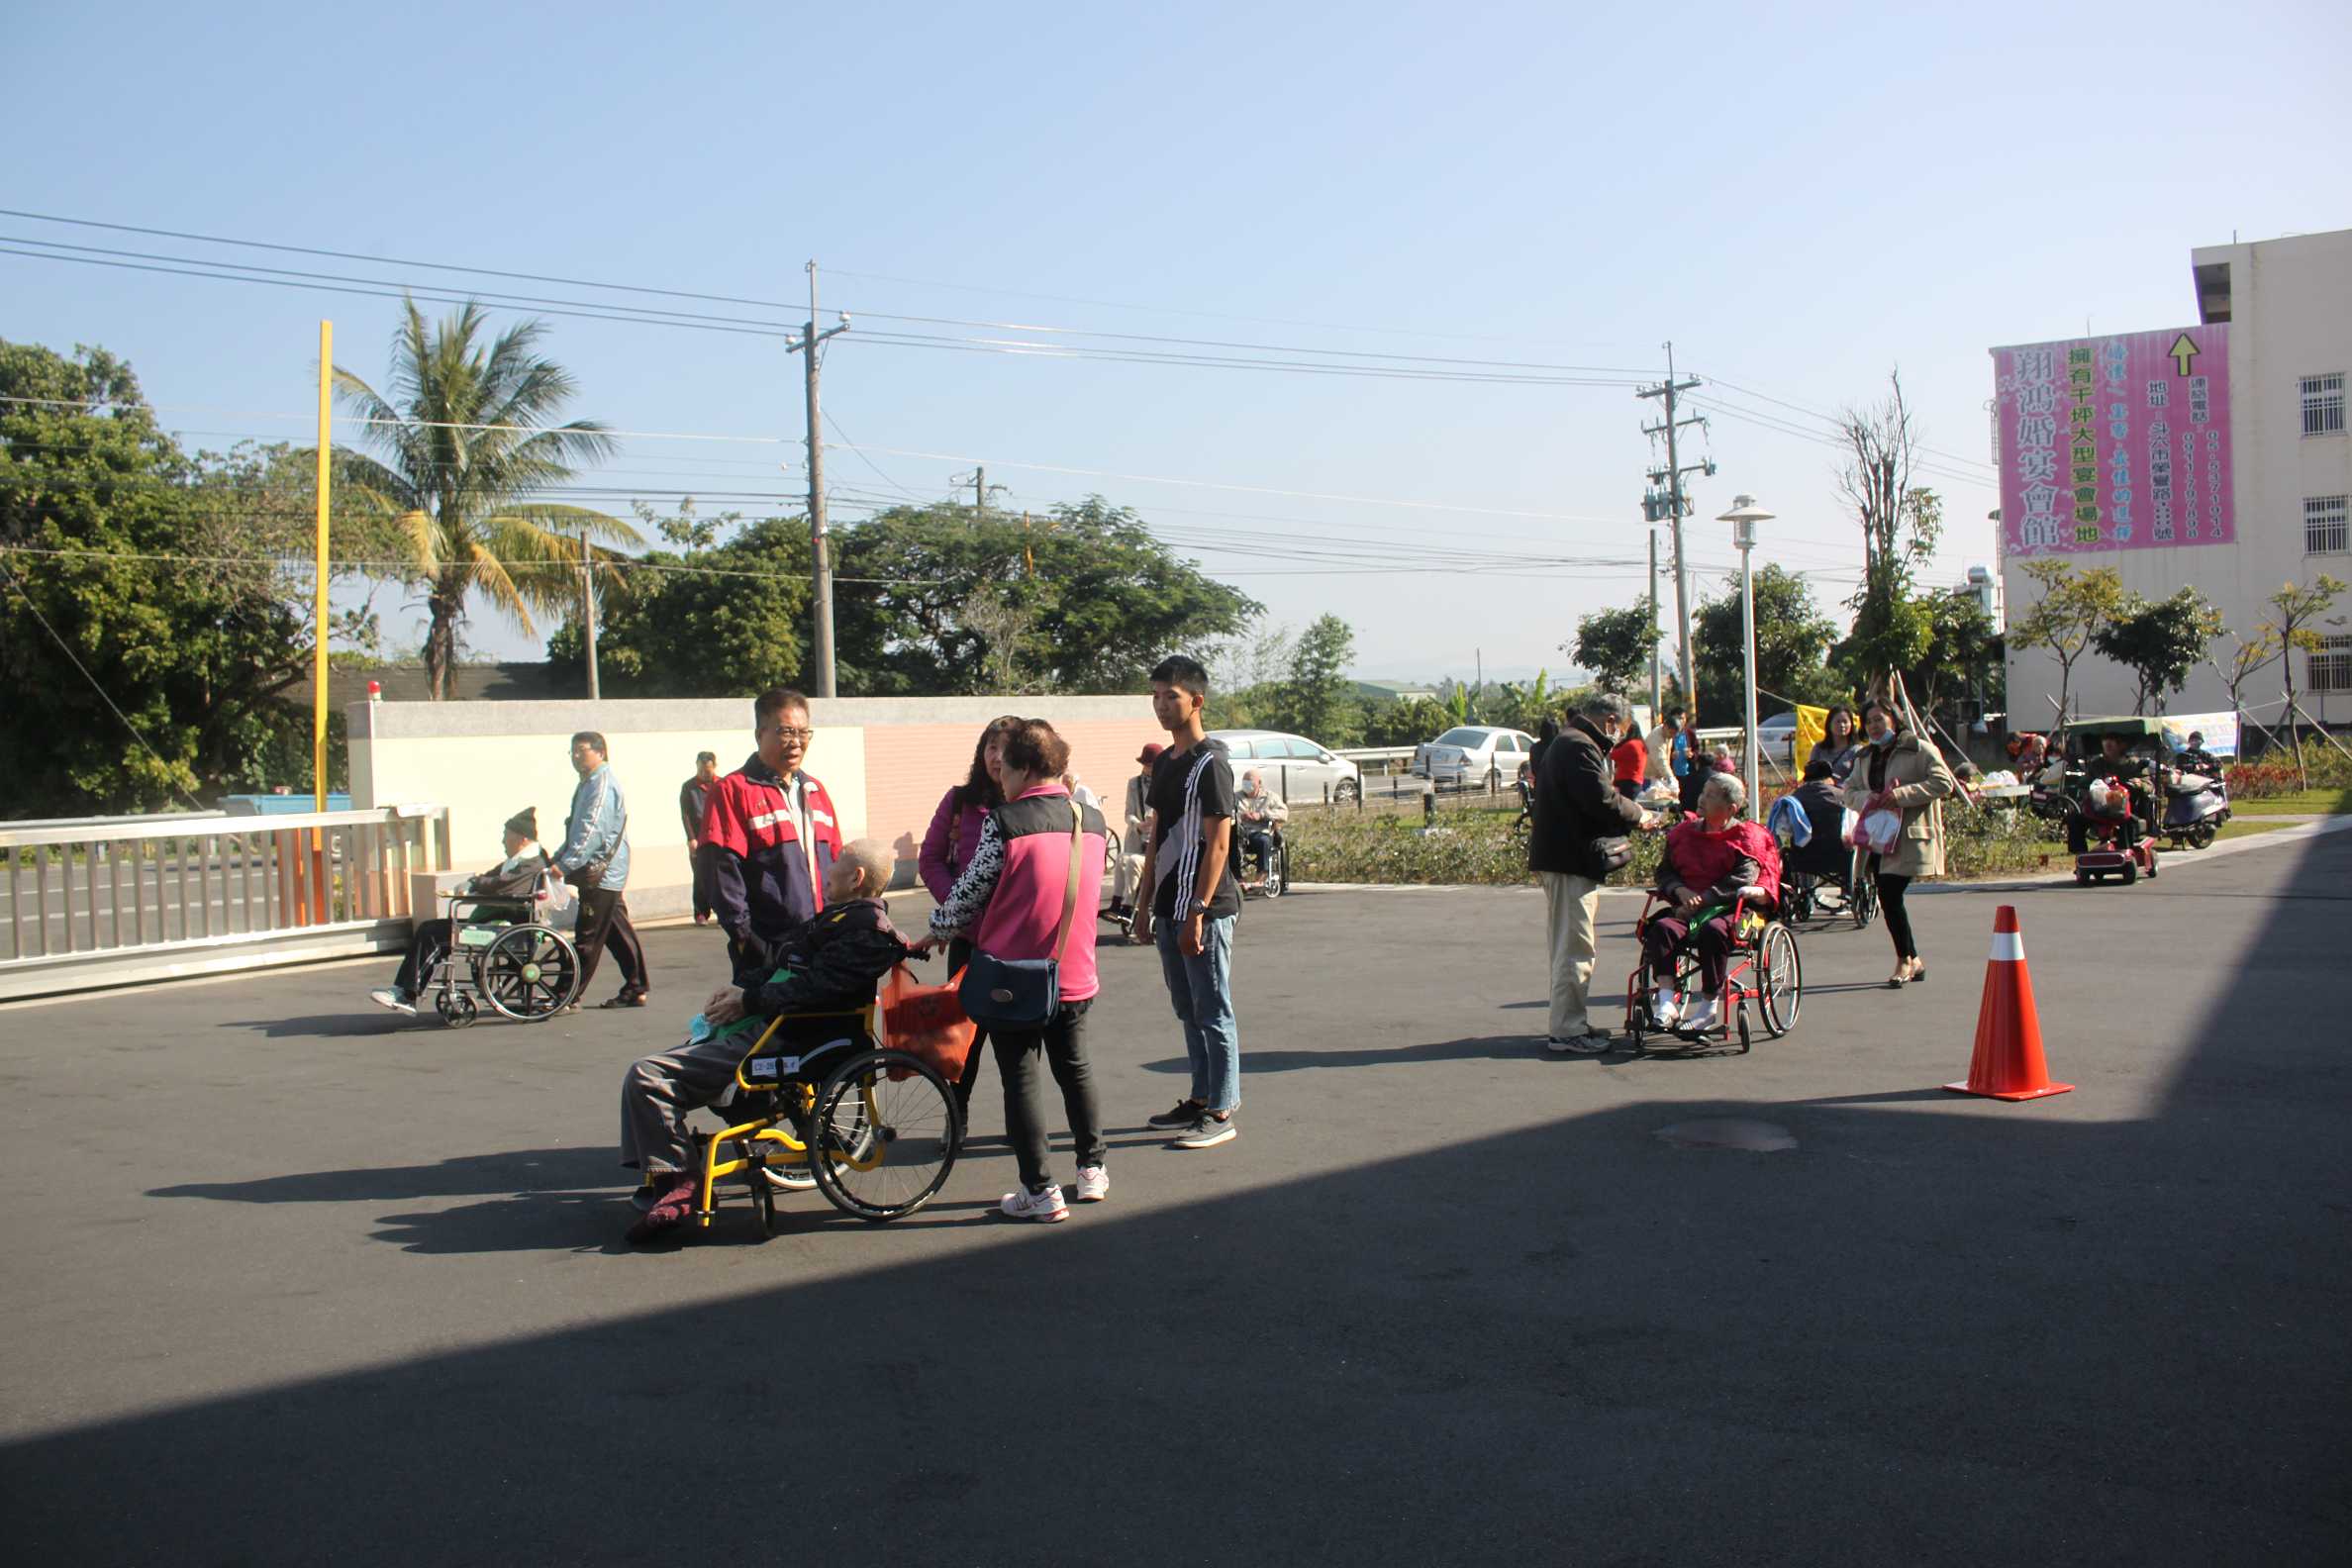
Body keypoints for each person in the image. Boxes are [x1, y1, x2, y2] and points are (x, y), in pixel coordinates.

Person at [619, 838, 915, 1244]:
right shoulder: (840, 920)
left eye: (834, 865)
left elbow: (813, 989)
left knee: (647, 1076)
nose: (826, 872)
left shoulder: (866, 933)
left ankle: (680, 1183)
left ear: (855, 877)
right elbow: (782, 966)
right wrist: (737, 990)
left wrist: (748, 1001)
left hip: (783, 1039)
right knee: (655, 1071)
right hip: (767, 1027)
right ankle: (667, 1171)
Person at [929, 721, 1110, 1223]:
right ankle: (1092, 1168)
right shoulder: (1091, 820)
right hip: (1075, 968)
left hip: (1014, 974)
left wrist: (937, 928)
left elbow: (968, 892)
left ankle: (1039, 1190)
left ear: (1025, 768)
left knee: (1022, 1079)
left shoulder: (1007, 821)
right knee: (1075, 1068)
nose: (998, 775)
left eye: (1005, 765)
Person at [1133, 655, 1244, 1149]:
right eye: (1156, 695)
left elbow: (1218, 844)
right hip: (1167, 907)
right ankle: (1200, 1098)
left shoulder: (1212, 763)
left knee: (1213, 1009)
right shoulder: (1165, 765)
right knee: (1187, 1008)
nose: (1161, 704)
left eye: (1170, 696)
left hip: (1207, 909)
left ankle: (1222, 1108)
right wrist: (1142, 905)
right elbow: (1156, 838)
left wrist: (1197, 912)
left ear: (1196, 701)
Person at [1528, 690, 1651, 1053]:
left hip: (1561, 858)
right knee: (1575, 947)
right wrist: (1640, 814)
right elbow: (1602, 801)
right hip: (1569, 860)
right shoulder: (1580, 746)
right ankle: (1567, 1031)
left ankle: (1571, 1022)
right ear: (1611, 721)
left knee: (1569, 945)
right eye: (1622, 730)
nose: (1620, 738)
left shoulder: (1569, 740)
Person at [919, 715, 1022, 1120]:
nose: (997, 757)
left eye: (1006, 748)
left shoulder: (1029, 804)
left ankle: (1021, 1126)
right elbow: (930, 860)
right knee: (963, 1040)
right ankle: (955, 1118)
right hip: (968, 940)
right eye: (990, 747)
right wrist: (957, 908)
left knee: (1014, 1045)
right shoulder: (960, 800)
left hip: (1016, 944)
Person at [700, 687, 843, 972]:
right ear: (759, 734)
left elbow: (839, 864)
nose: (796, 742)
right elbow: (721, 873)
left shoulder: (815, 791)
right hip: (769, 952)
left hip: (823, 946)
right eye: (786, 732)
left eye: (804, 733)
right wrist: (747, 941)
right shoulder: (733, 791)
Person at [369, 807, 545, 1015]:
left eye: (506, 836)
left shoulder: (532, 864)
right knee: (431, 929)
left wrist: (475, 884)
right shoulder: (517, 863)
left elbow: (500, 885)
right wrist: (472, 883)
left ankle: (407, 994)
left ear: (522, 839)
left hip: (503, 930)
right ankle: (405, 991)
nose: (503, 841)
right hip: (494, 923)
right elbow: (490, 879)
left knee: (433, 934)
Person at [1641, 773, 1778, 1033]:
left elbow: (1741, 880)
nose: (1702, 798)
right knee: (1662, 929)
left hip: (1732, 909)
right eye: (1704, 791)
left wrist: (1703, 899)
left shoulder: (1746, 837)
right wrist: (1679, 890)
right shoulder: (1683, 833)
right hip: (1686, 906)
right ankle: (1667, 1001)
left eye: (1711, 795)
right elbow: (1665, 872)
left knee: (1714, 931)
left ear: (1730, 809)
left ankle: (1707, 1008)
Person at [1843, 699, 1955, 988]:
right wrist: (1867, 798)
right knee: (1887, 895)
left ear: (1894, 719)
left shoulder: (1917, 748)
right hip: (1877, 837)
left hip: (1906, 836)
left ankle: (1904, 959)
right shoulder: (1864, 757)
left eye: (1879, 719)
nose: (1874, 726)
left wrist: (1901, 795)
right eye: (1869, 722)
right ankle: (1913, 960)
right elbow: (1849, 791)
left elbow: (1944, 782)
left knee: (1890, 893)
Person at [550, 733, 647, 1009]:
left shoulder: (600, 785)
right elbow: (576, 830)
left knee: (588, 936)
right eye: (573, 751)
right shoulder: (588, 784)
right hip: (604, 870)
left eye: (581, 750)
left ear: (600, 752)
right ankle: (636, 986)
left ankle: (566, 995)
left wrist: (565, 864)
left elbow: (592, 830)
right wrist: (560, 857)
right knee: (617, 930)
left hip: (600, 871)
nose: (576, 756)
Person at [2068, 733, 2153, 855]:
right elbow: (2084, 782)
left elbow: (2148, 785)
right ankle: (2081, 856)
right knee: (2075, 820)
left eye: (2113, 741)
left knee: (2127, 823)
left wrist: (2140, 783)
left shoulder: (2135, 764)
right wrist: (2089, 785)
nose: (2108, 744)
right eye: (2105, 740)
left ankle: (2126, 855)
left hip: (2126, 809)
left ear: (2123, 745)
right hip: (2099, 809)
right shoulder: (2096, 764)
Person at [1110, 741, 1164, 920]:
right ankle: (1116, 903)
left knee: (1132, 861)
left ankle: (1128, 905)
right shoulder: (1134, 784)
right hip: (1138, 839)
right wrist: (1137, 824)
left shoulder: (1167, 783)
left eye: (1152, 765)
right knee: (1121, 859)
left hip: (1158, 843)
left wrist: (1155, 820)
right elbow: (1128, 813)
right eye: (1146, 765)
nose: (1148, 768)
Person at [679, 750, 720, 926]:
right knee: (701, 876)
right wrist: (691, 838)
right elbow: (686, 814)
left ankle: (722, 909)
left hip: (719, 837)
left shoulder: (722, 784)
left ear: (714, 767)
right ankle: (701, 913)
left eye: (708, 769)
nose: (705, 772)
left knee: (721, 875)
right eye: (702, 769)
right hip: (699, 838)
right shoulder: (689, 787)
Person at [1235, 767, 1289, 885]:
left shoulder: (1270, 797)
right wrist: (1241, 816)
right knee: (1230, 843)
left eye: (1249, 781)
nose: (1246, 784)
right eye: (1244, 781)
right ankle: (1238, 879)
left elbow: (1284, 813)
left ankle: (1261, 877)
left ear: (1259, 783)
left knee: (1264, 841)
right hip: (1241, 834)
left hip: (1260, 832)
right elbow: (1228, 812)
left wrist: (1262, 815)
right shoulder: (1236, 797)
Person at [1813, 705, 1862, 786]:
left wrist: (1835, 783)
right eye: (1838, 721)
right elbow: (1810, 775)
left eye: (1845, 722)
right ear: (1829, 724)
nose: (1842, 725)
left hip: (1843, 795)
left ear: (1851, 725)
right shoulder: (1819, 748)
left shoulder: (1857, 751)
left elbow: (1859, 782)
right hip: (1819, 793)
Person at [1676, 713, 1709, 816]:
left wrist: (1692, 755)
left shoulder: (1689, 733)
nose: (1681, 721)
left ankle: (1685, 816)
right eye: (1678, 718)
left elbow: (1697, 749)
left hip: (1687, 771)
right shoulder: (1669, 733)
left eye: (1682, 718)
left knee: (1686, 796)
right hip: (1673, 772)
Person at [1610, 719, 1648, 802]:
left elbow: (1612, 755)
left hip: (1627, 783)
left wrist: (1615, 740)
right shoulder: (1641, 744)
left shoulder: (1631, 745)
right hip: (1636, 782)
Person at [1645, 707, 1682, 790]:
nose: (1672, 736)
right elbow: (1660, 760)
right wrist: (1670, 778)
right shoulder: (1656, 738)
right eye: (1671, 733)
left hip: (1659, 776)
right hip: (1648, 777)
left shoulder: (1667, 734)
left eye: (1674, 735)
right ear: (1665, 726)